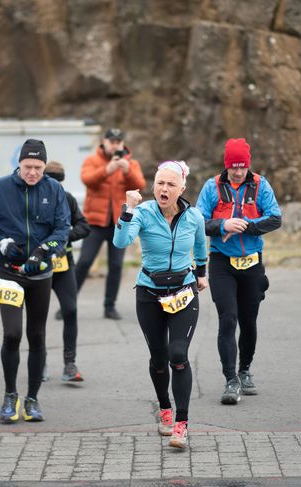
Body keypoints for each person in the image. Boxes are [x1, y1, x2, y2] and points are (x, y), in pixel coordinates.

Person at [113, 160, 208, 449]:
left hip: (183, 290)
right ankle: (164, 408)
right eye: (160, 183)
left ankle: (181, 424)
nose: (164, 189)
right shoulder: (142, 212)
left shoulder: (194, 217)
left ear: (182, 188)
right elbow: (120, 242)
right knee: (158, 358)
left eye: (170, 184)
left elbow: (201, 247)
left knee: (178, 355)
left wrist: (201, 274)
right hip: (150, 293)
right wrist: (127, 209)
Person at [0, 139, 70, 423]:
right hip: (9, 272)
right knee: (13, 334)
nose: (33, 172)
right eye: (28, 166)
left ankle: (32, 398)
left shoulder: (54, 189)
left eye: (38, 167)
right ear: (19, 164)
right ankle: (9, 395)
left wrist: (44, 251)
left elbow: (62, 227)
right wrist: (1, 243)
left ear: (44, 166)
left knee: (37, 335)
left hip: (40, 274)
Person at [195, 138, 282, 405]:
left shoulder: (260, 184)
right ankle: (230, 380)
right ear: (226, 165)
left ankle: (245, 371)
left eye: (242, 166)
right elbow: (197, 221)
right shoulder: (212, 186)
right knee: (228, 319)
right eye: (233, 167)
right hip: (222, 262)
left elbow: (275, 218)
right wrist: (223, 226)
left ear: (248, 164)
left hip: (252, 263)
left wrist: (246, 225)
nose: (238, 172)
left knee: (248, 321)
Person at [75, 128, 146, 320]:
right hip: (95, 222)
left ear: (122, 144)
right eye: (111, 141)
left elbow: (140, 184)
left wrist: (126, 170)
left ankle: (109, 306)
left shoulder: (131, 163)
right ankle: (68, 302)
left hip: (118, 223)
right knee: (84, 262)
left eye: (118, 142)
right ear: (103, 142)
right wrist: (107, 170)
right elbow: (87, 180)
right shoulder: (92, 161)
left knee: (115, 265)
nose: (115, 145)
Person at [42, 161, 90, 382]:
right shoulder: (34, 199)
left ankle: (69, 364)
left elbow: (84, 226)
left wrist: (64, 236)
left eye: (58, 180)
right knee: (38, 317)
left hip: (63, 266)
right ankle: (39, 363)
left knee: (70, 311)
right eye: (50, 179)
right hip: (39, 267)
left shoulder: (67, 198)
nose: (54, 184)